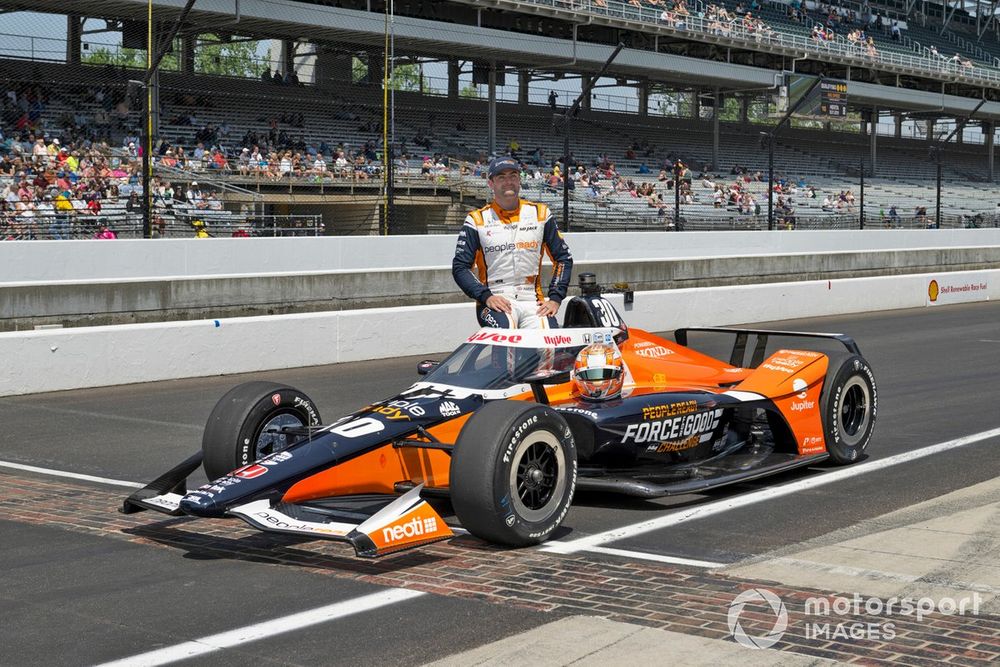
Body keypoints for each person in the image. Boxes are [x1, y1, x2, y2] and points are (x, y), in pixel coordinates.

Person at [452, 156, 573, 329]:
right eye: (501, 177)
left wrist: (555, 299)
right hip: (495, 299)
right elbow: (460, 268)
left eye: (513, 176)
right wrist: (486, 296)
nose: (508, 181)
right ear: (491, 183)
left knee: (549, 344)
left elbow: (563, 259)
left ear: (519, 181)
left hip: (533, 300)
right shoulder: (476, 220)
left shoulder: (541, 214)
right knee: (507, 335)